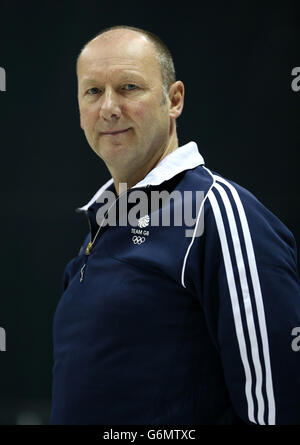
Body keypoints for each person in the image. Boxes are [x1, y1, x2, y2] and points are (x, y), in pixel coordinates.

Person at [50, 25, 300, 425]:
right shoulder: (98, 228)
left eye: (129, 87)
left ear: (175, 100)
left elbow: (279, 408)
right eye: (93, 91)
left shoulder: (216, 212)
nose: (109, 107)